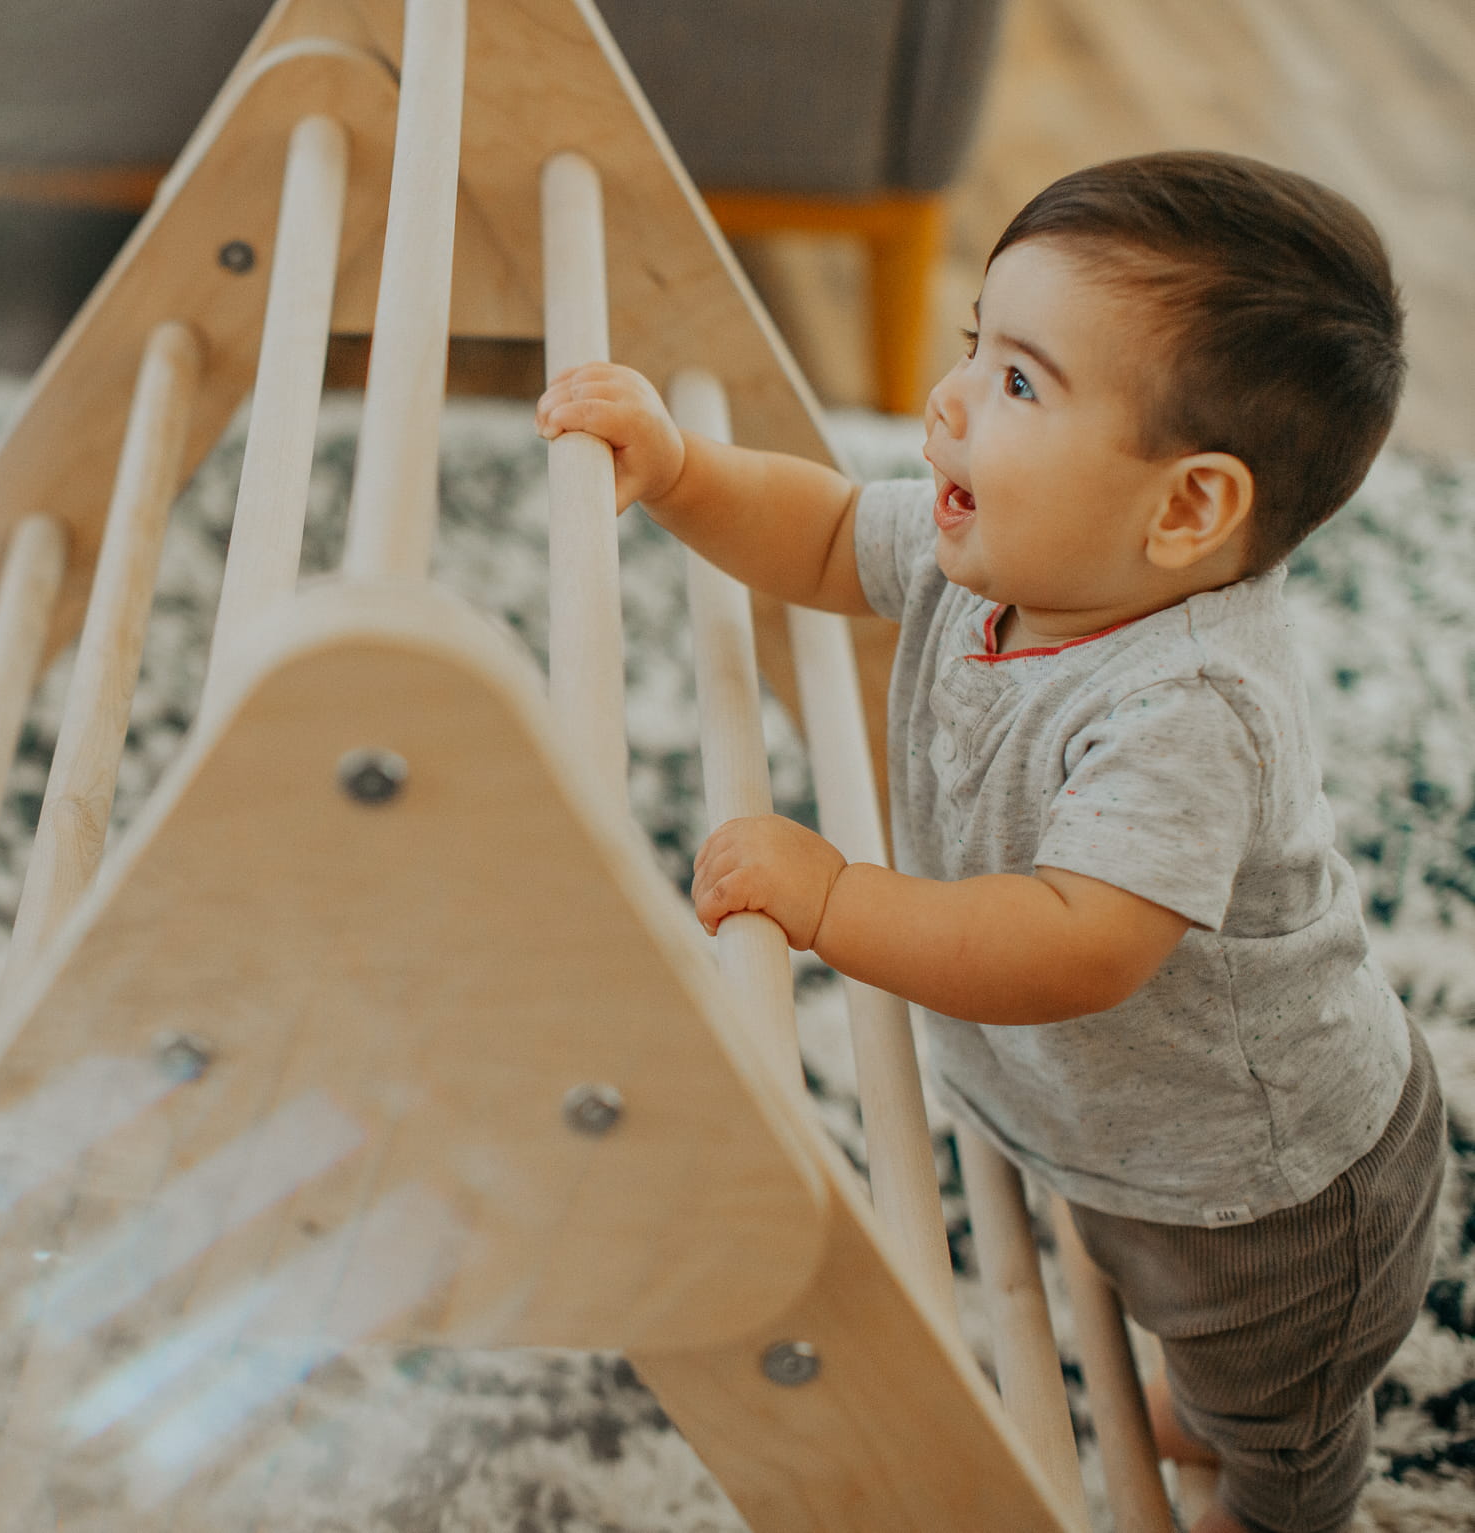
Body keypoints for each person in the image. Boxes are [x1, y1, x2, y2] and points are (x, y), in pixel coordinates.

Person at [535, 150, 1444, 1533]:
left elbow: (1077, 942)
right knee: (1172, 1328)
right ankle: (1203, 1403)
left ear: (1189, 507)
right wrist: (680, 470)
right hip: (1135, 1133)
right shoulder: (1015, 552)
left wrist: (838, 897)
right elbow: (835, 533)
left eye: (1018, 382)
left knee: (1277, 1411)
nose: (949, 398)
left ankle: (1274, 1489)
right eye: (976, 346)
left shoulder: (1191, 705)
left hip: (1270, 1193)